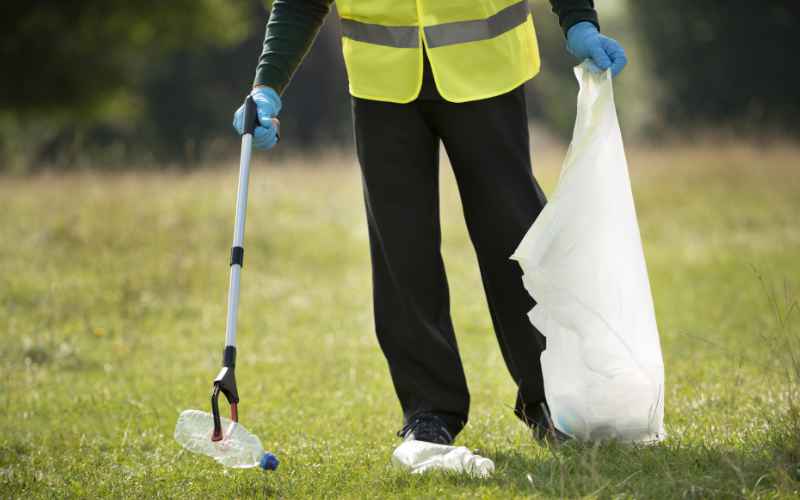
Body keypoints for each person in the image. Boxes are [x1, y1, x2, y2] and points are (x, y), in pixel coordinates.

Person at [233, 0, 627, 445]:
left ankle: (553, 399)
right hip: (382, 85)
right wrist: (267, 85)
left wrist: (577, 21)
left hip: (487, 71)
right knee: (402, 251)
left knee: (515, 236)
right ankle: (428, 412)